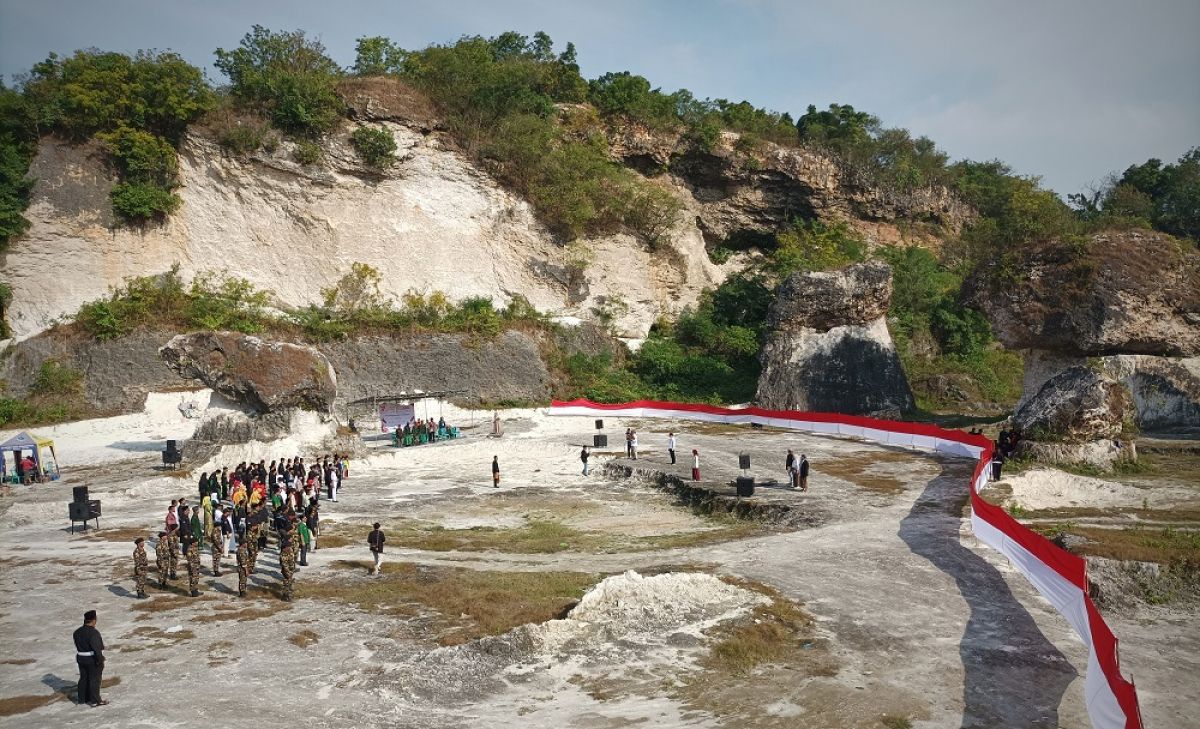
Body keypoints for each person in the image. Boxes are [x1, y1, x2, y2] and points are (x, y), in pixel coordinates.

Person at [73, 610, 107, 706]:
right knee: (94, 679)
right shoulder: (93, 633)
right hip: (92, 659)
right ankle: (95, 701)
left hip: (81, 658)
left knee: (83, 678)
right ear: (93, 620)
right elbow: (96, 648)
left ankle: (82, 699)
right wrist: (100, 659)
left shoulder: (77, 632)